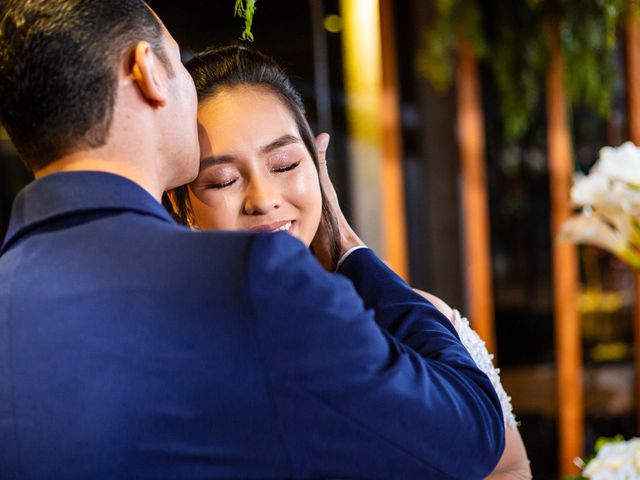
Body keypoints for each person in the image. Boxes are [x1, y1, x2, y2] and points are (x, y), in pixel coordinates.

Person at [0, 1, 505, 479]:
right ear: (147, 70)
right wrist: (350, 248)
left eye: (284, 164)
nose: (263, 199)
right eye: (177, 61)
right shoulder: (249, 282)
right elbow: (469, 432)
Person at [168, 45, 531, 479]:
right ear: (182, 203)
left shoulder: (414, 317)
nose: (263, 200)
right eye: (223, 179)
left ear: (319, 168)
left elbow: (507, 466)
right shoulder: (176, 351)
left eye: (284, 164)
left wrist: (347, 247)